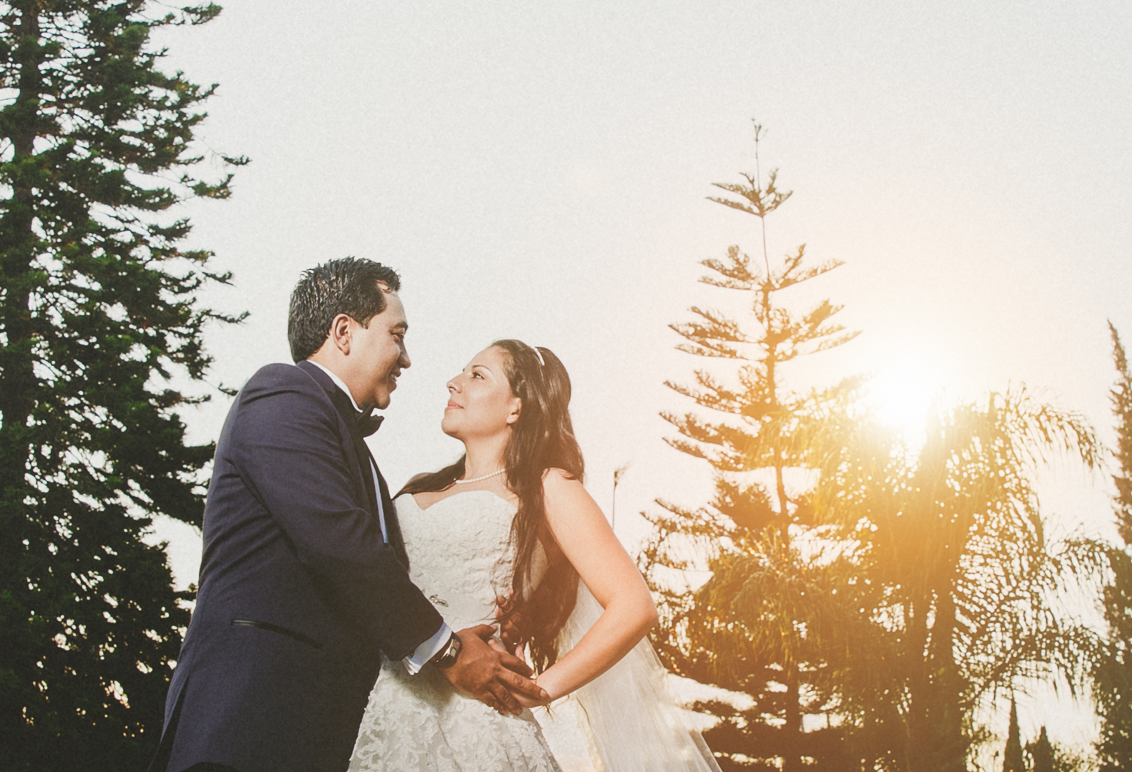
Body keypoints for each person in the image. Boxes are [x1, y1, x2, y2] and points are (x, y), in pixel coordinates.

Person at [151, 259, 548, 772]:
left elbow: (389, 572)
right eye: (396, 335)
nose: (406, 359)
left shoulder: (354, 452)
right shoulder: (282, 394)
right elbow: (338, 543)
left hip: (322, 728)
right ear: (343, 332)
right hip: (251, 718)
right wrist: (450, 651)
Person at [347, 340, 720, 772]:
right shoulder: (419, 486)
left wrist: (539, 689)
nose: (455, 382)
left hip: (478, 725)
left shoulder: (549, 487)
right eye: (461, 373)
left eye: (477, 375)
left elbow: (634, 605)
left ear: (516, 409)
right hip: (384, 709)